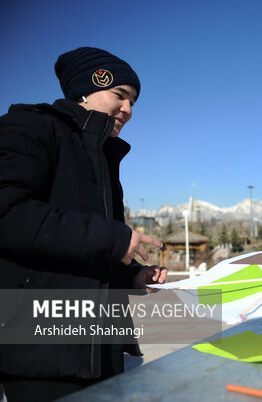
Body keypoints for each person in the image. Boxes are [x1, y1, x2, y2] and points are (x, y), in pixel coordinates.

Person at [0, 47, 167, 401]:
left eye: (134, 102)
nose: (129, 110)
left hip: (100, 344)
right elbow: (8, 214)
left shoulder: (104, 158)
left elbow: (88, 253)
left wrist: (130, 275)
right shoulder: (31, 127)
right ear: (85, 89)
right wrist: (114, 239)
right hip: (39, 347)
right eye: (120, 96)